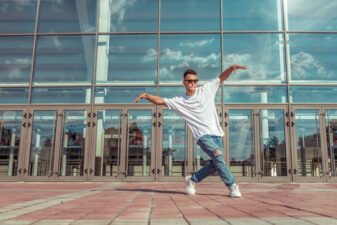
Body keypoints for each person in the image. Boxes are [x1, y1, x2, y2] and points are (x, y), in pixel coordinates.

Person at [134, 65, 247, 197]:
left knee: (216, 164)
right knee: (218, 156)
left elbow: (221, 78)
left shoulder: (206, 90)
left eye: (194, 81)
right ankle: (232, 186)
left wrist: (231, 68)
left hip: (216, 134)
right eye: (189, 81)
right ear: (184, 83)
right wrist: (146, 95)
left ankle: (193, 179)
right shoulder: (180, 101)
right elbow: (161, 101)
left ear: (197, 82)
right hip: (202, 136)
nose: (192, 83)